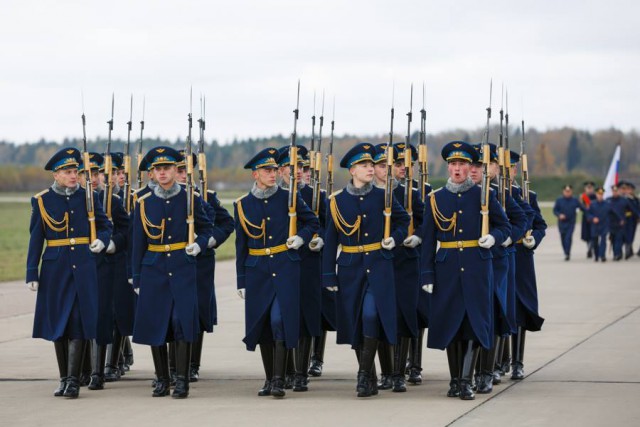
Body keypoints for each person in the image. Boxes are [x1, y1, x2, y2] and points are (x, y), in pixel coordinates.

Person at [420, 141, 511, 400]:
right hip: (447, 268)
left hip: (476, 266)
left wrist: (493, 237)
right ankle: (454, 380)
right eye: (453, 164)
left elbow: (504, 226)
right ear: (448, 167)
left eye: (462, 164)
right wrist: (426, 274)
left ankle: (466, 380)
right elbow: (428, 241)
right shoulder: (436, 198)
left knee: (474, 324)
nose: (457, 169)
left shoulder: (483, 196)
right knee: (452, 325)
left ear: (470, 167)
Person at [323, 142, 410, 398]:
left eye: (372, 164)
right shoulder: (336, 202)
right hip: (350, 269)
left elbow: (403, 221)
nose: (370, 168)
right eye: (364, 165)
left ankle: (362, 376)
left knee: (372, 316)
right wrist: (328, 274)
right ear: (352, 170)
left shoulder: (384, 196)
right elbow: (331, 240)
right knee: (355, 323)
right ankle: (369, 376)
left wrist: (394, 238)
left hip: (378, 264)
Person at [26, 147, 112, 398]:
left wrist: (102, 241)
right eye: (67, 172)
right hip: (55, 268)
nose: (74, 176)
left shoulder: (88, 196)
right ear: (56, 174)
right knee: (58, 325)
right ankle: (64, 378)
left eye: (76, 171)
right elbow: (36, 237)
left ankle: (74, 381)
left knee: (77, 320)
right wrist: (32, 271)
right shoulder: (42, 200)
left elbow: (105, 225)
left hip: (84, 266)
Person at [234, 147, 319, 399]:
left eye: (274, 169)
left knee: (279, 320)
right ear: (255, 174)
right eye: (266, 170)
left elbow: (312, 222)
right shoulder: (242, 205)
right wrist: (241, 279)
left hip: (285, 267)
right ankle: (270, 377)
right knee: (263, 327)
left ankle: (281, 379)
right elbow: (241, 245)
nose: (272, 174)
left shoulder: (288, 197)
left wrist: (300, 239)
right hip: (257, 271)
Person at [131, 146, 214, 399]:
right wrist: (136, 276)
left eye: (167, 168)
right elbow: (138, 243)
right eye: (158, 169)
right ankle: (161, 378)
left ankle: (181, 379)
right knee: (157, 324)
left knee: (181, 322)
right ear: (153, 174)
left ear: (177, 170)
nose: (163, 172)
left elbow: (208, 229)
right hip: (154, 268)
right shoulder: (143, 204)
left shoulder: (190, 199)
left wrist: (199, 245)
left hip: (182, 266)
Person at [468, 143, 527, 394]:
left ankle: (488, 369)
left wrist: (503, 237)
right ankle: (467, 372)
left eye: (482, 165)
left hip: (496, 261)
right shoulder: (460, 194)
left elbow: (520, 220)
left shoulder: (499, 193)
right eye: (472, 165)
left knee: (491, 315)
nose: (474, 170)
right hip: (469, 264)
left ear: (494, 168)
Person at [175, 150, 235, 382]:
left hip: (200, 263)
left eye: (185, 171)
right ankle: (174, 365)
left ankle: (192, 363)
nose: (181, 175)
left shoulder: (205, 196)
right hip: (173, 262)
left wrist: (209, 241)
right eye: (178, 170)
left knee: (197, 311)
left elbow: (226, 223)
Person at [276, 146, 325, 392]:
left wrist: (320, 239)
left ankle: (301, 371)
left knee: (305, 315)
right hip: (281, 263)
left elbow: (327, 225)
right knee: (284, 315)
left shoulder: (316, 194)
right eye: (293, 168)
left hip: (308, 261)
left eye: (303, 168)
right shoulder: (274, 195)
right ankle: (282, 370)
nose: (299, 172)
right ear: (282, 170)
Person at [508, 152, 547, 380]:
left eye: (513, 168)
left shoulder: (527, 195)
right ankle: (499, 360)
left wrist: (534, 239)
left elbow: (540, 224)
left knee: (521, 308)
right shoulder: (491, 194)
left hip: (521, 256)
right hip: (501, 254)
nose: (509, 171)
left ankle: (517, 362)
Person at [587, 187, 620, 262]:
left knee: (603, 240)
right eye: (599, 194)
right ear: (596, 194)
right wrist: (593, 218)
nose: (600, 196)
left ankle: (602, 256)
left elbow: (614, 213)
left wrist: (621, 219)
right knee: (595, 241)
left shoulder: (608, 204)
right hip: (595, 226)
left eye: (601, 194)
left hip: (604, 225)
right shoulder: (592, 204)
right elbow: (588, 214)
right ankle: (596, 255)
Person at [553, 185, 583, 261]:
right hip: (562, 223)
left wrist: (590, 213)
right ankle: (565, 252)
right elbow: (555, 210)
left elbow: (583, 208)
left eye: (569, 191)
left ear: (571, 192)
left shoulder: (575, 200)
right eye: (566, 191)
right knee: (563, 238)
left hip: (571, 222)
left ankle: (567, 253)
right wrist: (559, 215)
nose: (567, 193)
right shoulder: (559, 200)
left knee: (568, 238)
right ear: (563, 191)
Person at [579, 181, 596, 258]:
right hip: (585, 218)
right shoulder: (583, 197)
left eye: (590, 188)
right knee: (586, 235)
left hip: (594, 218)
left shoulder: (596, 196)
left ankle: (590, 248)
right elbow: (580, 207)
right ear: (585, 188)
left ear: (593, 188)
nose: (589, 189)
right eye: (587, 188)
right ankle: (589, 247)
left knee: (593, 234)